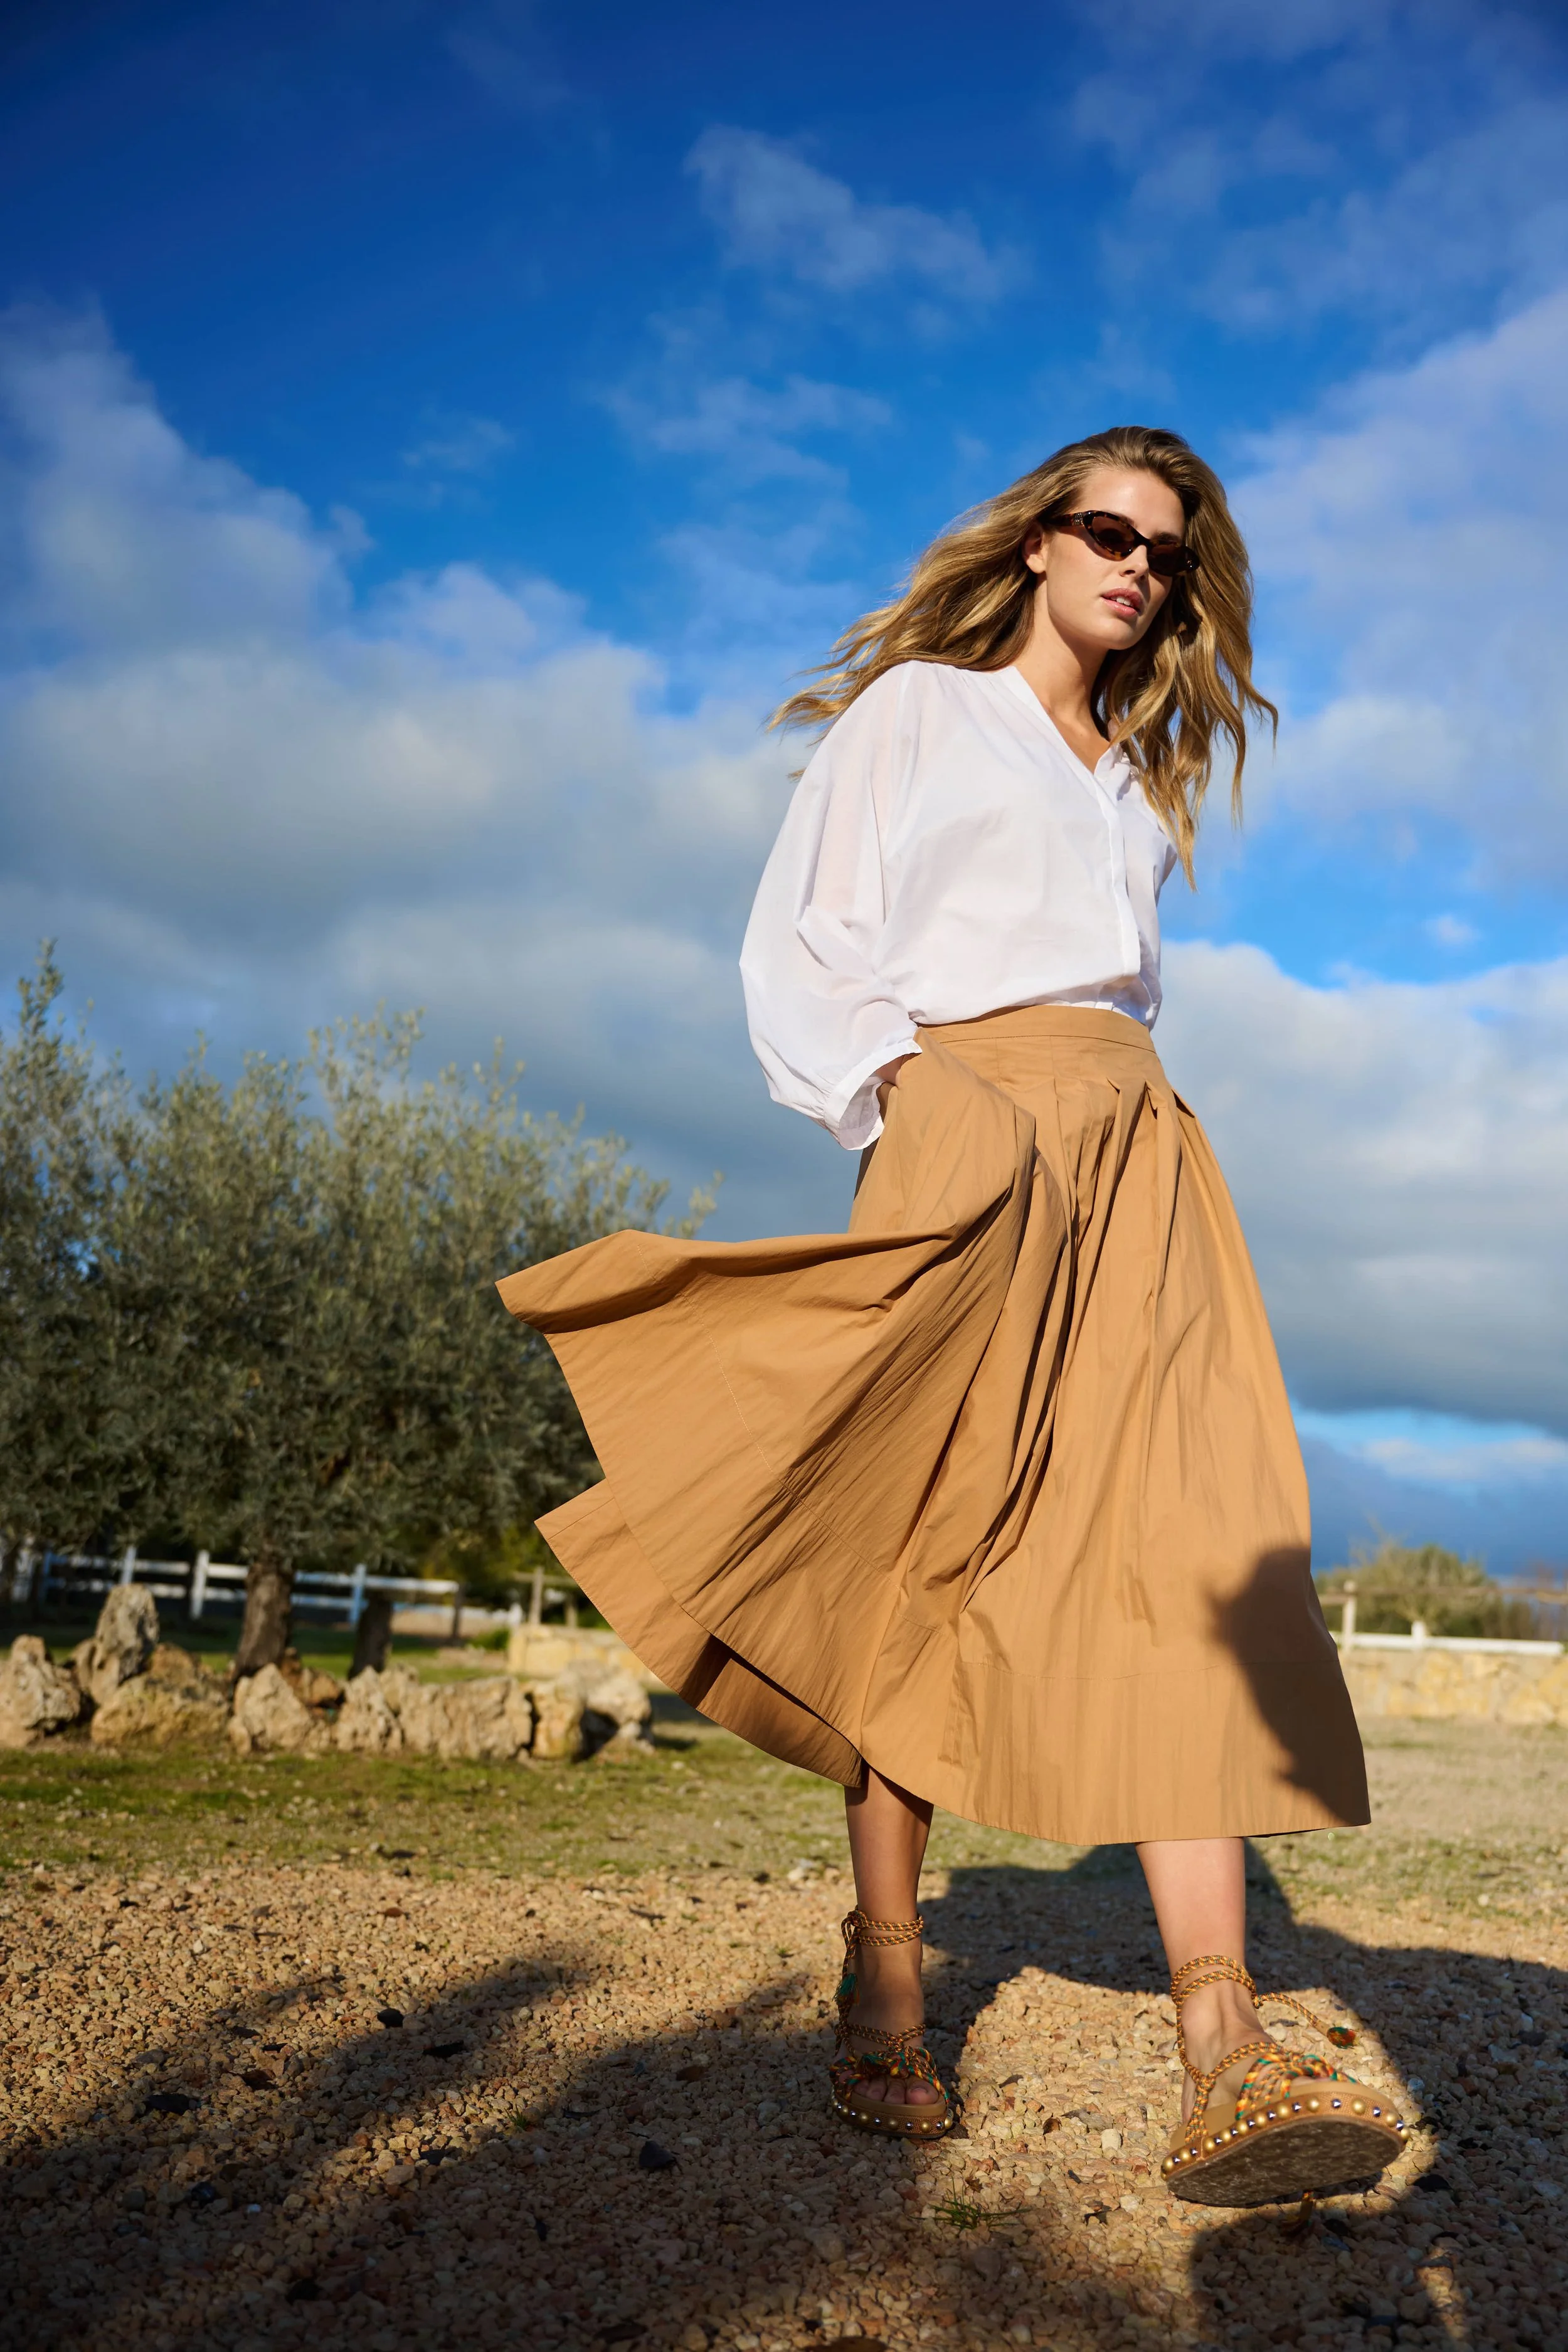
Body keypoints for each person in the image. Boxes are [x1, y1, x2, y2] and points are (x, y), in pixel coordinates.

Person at [499, 426, 1404, 2206]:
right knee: (920, 1541)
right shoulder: (919, 710)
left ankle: (1218, 2035)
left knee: (1194, 1543)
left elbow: (1111, 988)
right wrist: (904, 1098)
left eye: (1165, 548)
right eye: (1107, 531)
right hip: (962, 1120)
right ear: (1041, 540)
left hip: (1137, 1147)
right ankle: (889, 1972)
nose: (1135, 566)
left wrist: (1096, 1122)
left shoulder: (1133, 781)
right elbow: (801, 937)